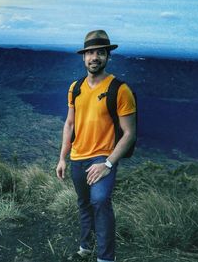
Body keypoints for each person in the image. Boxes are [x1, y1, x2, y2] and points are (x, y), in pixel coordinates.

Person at [56, 30, 137, 262]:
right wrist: (63, 157)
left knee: (100, 201)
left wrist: (108, 163)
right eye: (90, 52)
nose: (94, 57)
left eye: (100, 53)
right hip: (77, 156)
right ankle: (86, 248)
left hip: (102, 158)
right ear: (83, 57)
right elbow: (69, 124)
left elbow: (130, 134)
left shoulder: (120, 90)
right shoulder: (76, 87)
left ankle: (105, 258)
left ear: (107, 57)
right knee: (84, 204)